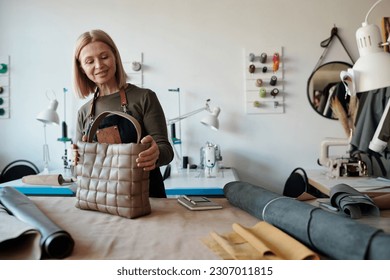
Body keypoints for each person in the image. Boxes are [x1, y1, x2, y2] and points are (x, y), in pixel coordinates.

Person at [71, 29, 173, 198]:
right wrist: (76, 159)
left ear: (115, 57)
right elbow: (77, 172)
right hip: (103, 199)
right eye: (89, 61)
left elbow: (166, 151)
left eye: (104, 57)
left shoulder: (144, 97)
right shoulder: (84, 113)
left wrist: (155, 154)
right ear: (82, 69)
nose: (99, 65)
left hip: (147, 198)